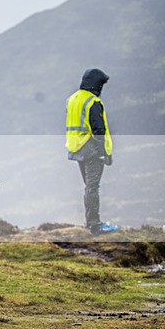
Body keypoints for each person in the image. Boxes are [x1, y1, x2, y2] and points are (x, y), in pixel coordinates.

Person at [65, 68, 118, 235]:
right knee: (92, 187)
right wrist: (104, 152)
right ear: (96, 84)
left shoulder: (72, 99)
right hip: (92, 150)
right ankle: (95, 225)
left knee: (89, 187)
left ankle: (90, 222)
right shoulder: (92, 102)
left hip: (76, 148)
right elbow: (98, 130)